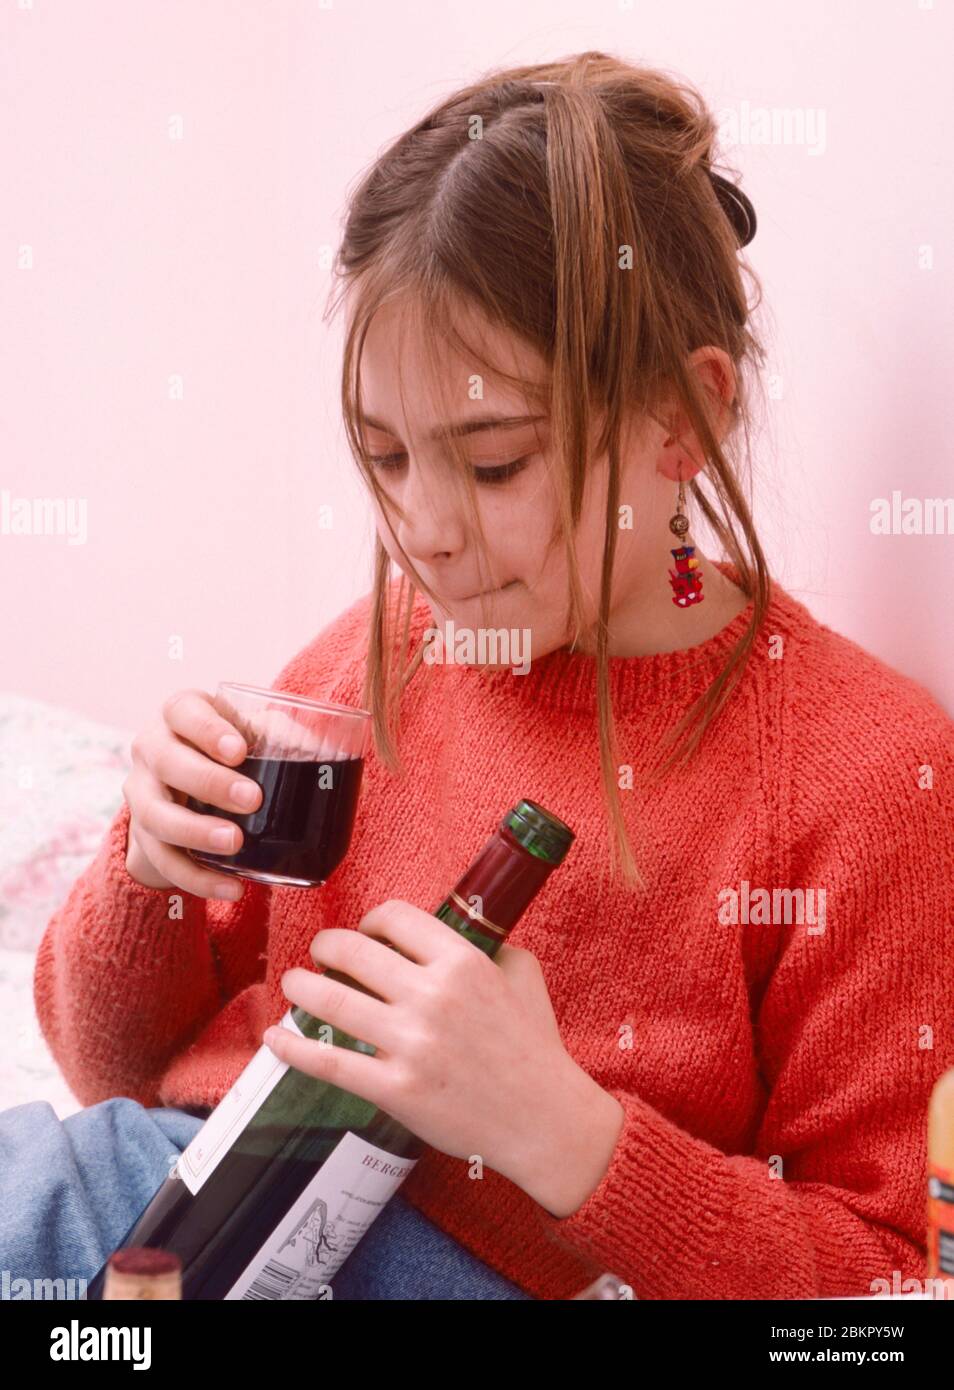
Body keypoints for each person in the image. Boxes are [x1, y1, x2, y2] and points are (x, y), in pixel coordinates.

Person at [5, 50, 954, 1302]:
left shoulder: (865, 777)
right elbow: (109, 1066)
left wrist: (564, 1133)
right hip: (154, 1208)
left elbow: (888, 1289)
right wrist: (151, 871)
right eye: (386, 456)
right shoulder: (382, 648)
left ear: (683, 418)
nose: (424, 528)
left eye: (493, 463)